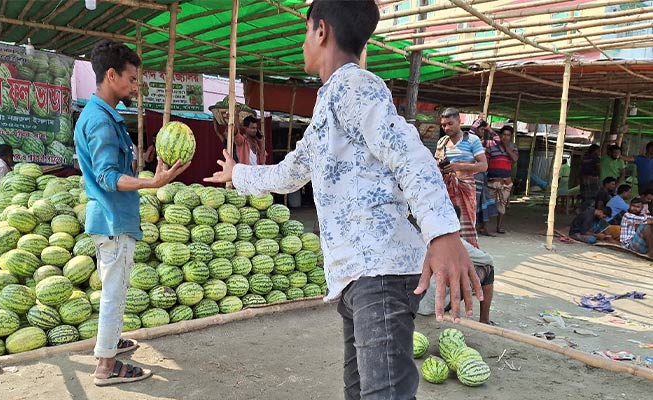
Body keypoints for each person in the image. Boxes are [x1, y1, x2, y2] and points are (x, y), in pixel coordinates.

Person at [204, 2, 482, 398]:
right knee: (359, 391)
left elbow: (408, 152)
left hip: (380, 273)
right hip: (356, 275)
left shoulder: (356, 86)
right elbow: (294, 170)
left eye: (305, 32)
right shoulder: (329, 101)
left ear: (321, 31)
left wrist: (441, 232)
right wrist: (239, 174)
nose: (303, 42)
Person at [74, 40, 190, 386]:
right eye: (133, 79)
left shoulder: (103, 116)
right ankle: (106, 366)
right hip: (112, 219)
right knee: (114, 291)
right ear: (111, 75)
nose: (136, 86)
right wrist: (152, 184)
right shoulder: (100, 121)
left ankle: (111, 343)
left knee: (117, 287)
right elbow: (108, 177)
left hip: (111, 219)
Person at [418, 206, 495, 325]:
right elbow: (488, 259)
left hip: (415, 302)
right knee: (487, 268)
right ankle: (484, 319)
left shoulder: (418, 236)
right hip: (430, 305)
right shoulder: (451, 243)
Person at [435, 107, 488, 248]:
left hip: (465, 189)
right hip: (445, 190)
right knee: (446, 226)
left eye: (450, 123)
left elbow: (483, 165)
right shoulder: (442, 142)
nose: (446, 128)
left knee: (466, 227)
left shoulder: (472, 140)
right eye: (443, 125)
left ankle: (470, 258)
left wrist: (459, 167)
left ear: (459, 121)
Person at [486, 125, 519, 234]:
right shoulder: (491, 146)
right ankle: (484, 227)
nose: (505, 137)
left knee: (502, 205)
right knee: (488, 204)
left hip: (506, 182)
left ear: (511, 137)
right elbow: (485, 162)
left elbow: (515, 159)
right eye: (504, 135)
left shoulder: (513, 148)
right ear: (500, 135)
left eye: (508, 135)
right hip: (491, 181)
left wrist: (506, 147)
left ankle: (499, 227)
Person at [470, 119, 498, 237]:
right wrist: (477, 123)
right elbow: (470, 133)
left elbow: (497, 140)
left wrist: (488, 128)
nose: (482, 131)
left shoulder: (483, 142)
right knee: (473, 202)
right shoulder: (470, 140)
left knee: (483, 200)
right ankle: (471, 228)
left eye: (483, 130)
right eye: (480, 129)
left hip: (482, 176)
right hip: (473, 175)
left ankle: (482, 227)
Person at [580, 144, 601, 209]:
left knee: (585, 196)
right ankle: (589, 210)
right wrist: (599, 175)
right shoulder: (595, 158)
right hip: (593, 178)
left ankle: (583, 209)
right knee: (593, 196)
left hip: (584, 178)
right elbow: (598, 168)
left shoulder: (584, 157)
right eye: (598, 150)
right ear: (595, 150)